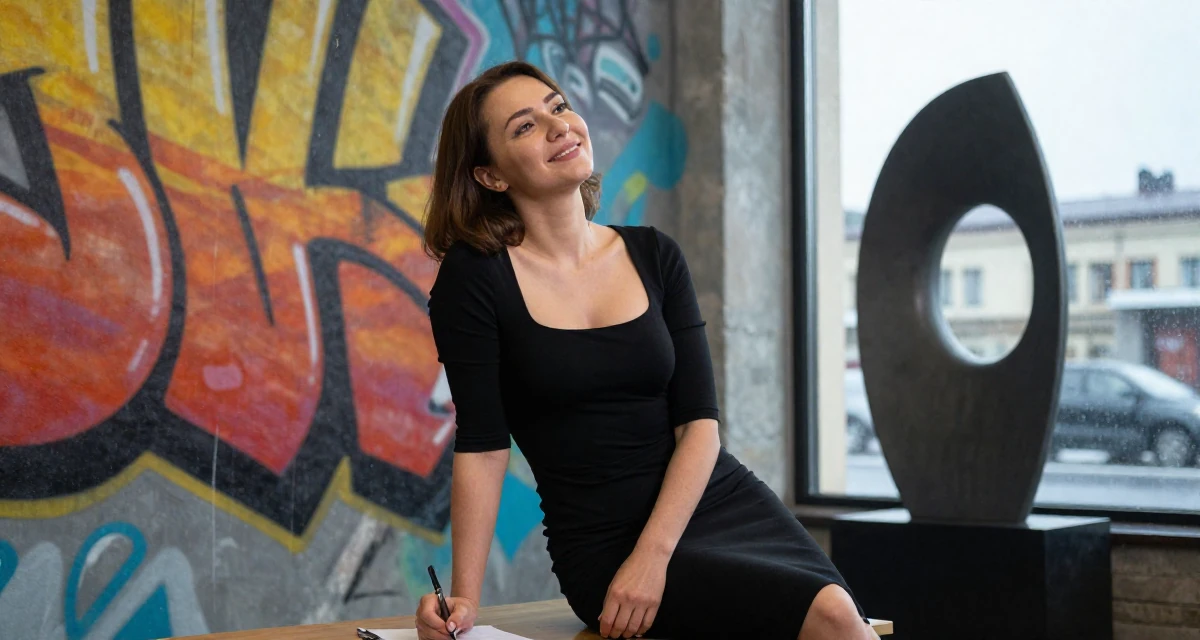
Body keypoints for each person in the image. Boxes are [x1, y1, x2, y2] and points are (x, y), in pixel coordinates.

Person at [414, 61, 877, 640]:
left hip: (717, 503)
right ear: (490, 177)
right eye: (524, 127)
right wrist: (465, 598)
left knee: (839, 612)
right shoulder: (474, 280)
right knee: (830, 621)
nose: (559, 127)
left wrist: (655, 555)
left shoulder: (655, 255)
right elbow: (483, 446)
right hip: (604, 542)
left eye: (559, 107)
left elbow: (699, 426)